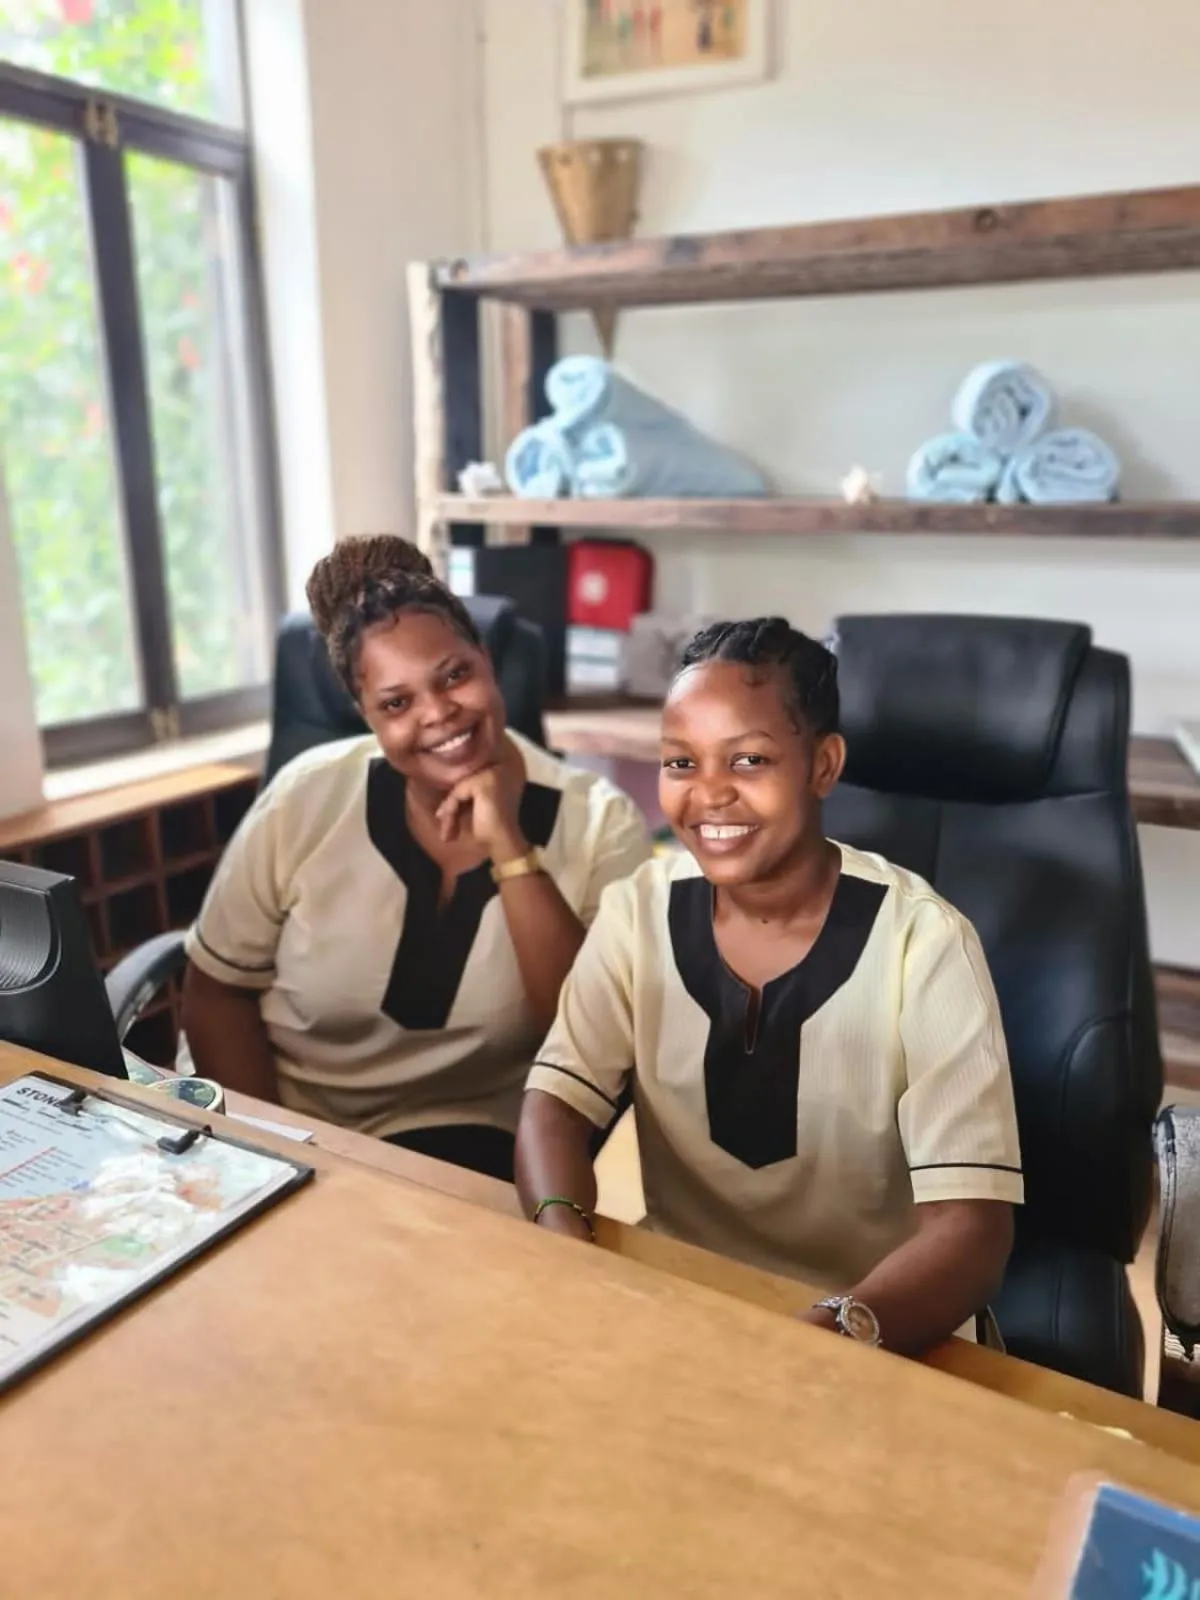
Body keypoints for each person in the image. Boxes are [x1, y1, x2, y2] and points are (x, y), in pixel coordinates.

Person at [515, 617, 1022, 1355]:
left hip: (881, 1334)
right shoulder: (639, 909)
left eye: (747, 760)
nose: (708, 795)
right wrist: (562, 1233)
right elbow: (555, 1105)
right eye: (680, 764)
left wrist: (829, 1337)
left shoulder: (926, 942)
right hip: (684, 1306)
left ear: (822, 765)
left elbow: (974, 1231)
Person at [181, 535, 651, 1180]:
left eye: (454, 675)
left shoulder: (600, 824)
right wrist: (271, 1156)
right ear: (365, 714)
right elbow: (216, 996)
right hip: (288, 1128)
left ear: (487, 661)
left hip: (474, 1154)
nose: (437, 715)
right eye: (396, 703)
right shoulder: (304, 798)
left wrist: (509, 846)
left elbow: (589, 1038)